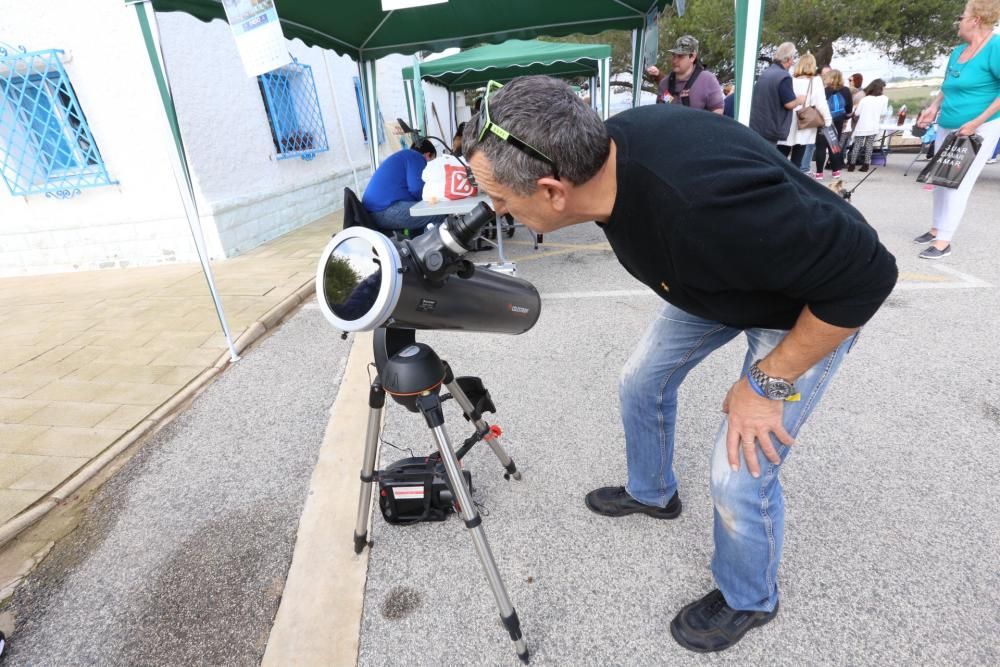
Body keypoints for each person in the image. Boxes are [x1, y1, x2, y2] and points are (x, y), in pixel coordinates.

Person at [462, 76, 897, 653]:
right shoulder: (605, 153)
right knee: (641, 380)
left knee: (737, 470)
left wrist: (767, 381)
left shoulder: (706, 208)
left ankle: (749, 595)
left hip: (804, 309)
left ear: (551, 190)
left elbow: (870, 276)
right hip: (716, 281)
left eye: (499, 197)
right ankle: (653, 492)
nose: (492, 208)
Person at [912, 0, 1000, 259]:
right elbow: (948, 84)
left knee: (956, 183)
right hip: (947, 124)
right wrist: (933, 107)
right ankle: (936, 227)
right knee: (940, 180)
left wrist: (977, 122)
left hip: (979, 128)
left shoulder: (995, 47)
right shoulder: (958, 51)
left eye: (962, 17)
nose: (958, 22)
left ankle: (944, 241)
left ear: (975, 20)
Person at [361, 138, 444, 234]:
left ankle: (419, 243)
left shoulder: (404, 156)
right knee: (438, 213)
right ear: (428, 155)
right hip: (383, 210)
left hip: (375, 210)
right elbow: (417, 189)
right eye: (432, 160)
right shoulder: (416, 157)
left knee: (422, 214)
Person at [778, 53, 832, 172]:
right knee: (797, 158)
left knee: (780, 156)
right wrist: (828, 121)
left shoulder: (789, 80)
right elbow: (821, 103)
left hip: (787, 121)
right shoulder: (816, 81)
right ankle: (793, 183)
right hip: (805, 121)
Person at [749, 42, 806, 143]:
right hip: (770, 128)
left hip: (757, 124)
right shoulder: (784, 77)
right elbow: (789, 103)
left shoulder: (766, 73)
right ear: (788, 59)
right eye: (792, 58)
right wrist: (799, 100)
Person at [652, 35, 725, 112]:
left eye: (680, 56)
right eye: (674, 55)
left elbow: (718, 110)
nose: (675, 60)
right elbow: (659, 112)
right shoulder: (664, 84)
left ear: (692, 57)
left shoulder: (707, 80)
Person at [814, 69, 853, 179]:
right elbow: (849, 108)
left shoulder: (824, 91)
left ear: (830, 78)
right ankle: (836, 171)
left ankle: (819, 173)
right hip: (838, 122)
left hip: (824, 122)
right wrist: (845, 118)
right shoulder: (846, 90)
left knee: (821, 147)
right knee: (834, 146)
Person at [846, 79, 888, 172]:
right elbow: (884, 112)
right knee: (869, 146)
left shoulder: (865, 99)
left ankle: (851, 165)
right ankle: (866, 165)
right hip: (874, 125)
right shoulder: (884, 99)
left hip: (862, 125)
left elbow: (857, 113)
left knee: (857, 145)